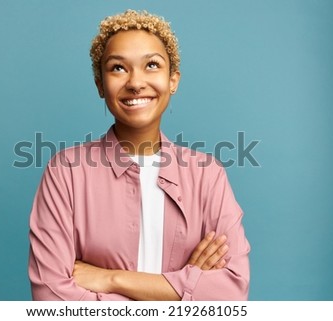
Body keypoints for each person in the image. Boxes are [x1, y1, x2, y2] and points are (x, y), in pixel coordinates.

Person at [28, 9, 250, 301]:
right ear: (100, 85)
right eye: (118, 68)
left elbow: (230, 294)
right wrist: (185, 289)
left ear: (173, 80)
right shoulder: (66, 172)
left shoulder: (207, 174)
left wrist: (110, 279)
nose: (135, 82)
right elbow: (52, 299)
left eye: (152, 65)